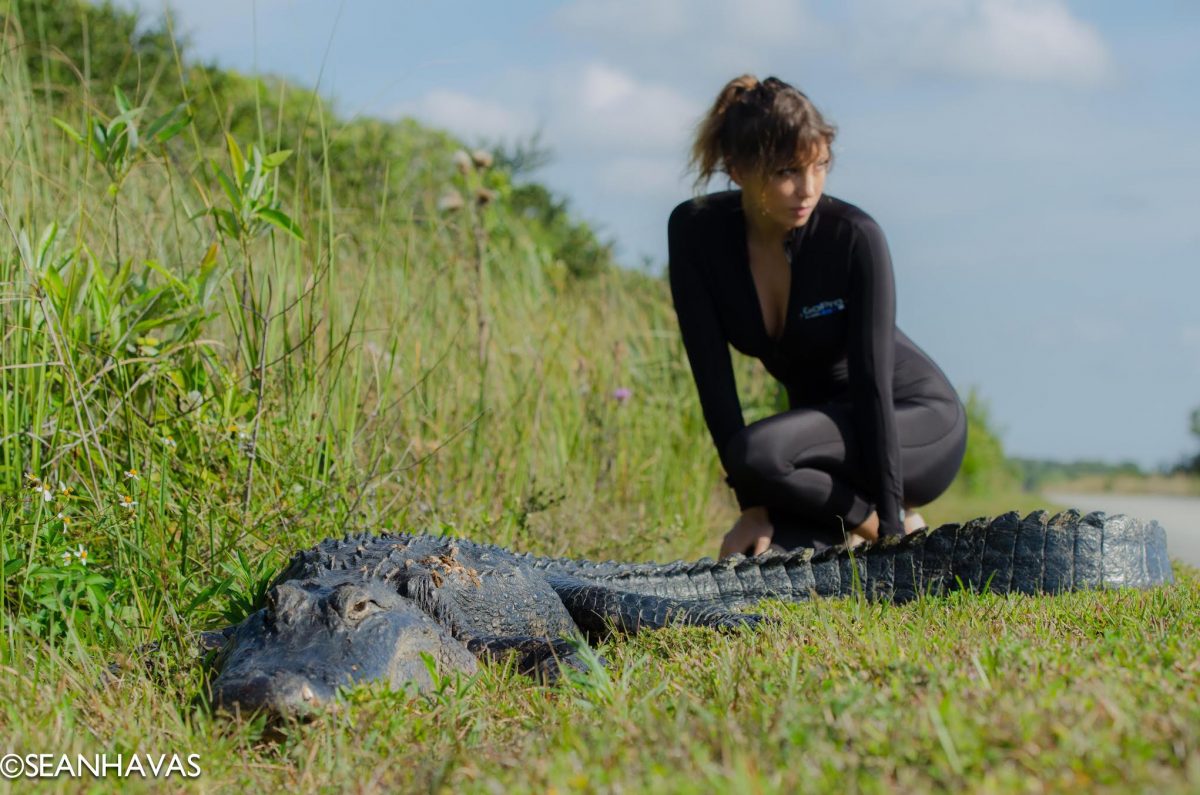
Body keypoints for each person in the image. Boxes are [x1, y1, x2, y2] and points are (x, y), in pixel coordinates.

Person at [667, 75, 968, 558]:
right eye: (787, 171)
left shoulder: (853, 236)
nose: (807, 190)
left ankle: (891, 530)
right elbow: (712, 377)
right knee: (769, 553)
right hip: (817, 450)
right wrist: (754, 507)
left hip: (913, 425)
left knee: (758, 452)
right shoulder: (695, 232)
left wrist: (887, 526)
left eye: (821, 165)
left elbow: (871, 384)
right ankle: (866, 524)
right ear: (738, 168)